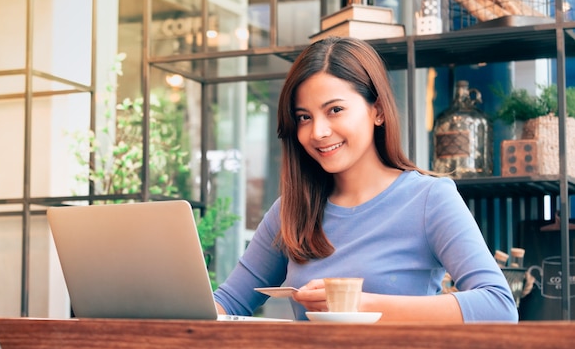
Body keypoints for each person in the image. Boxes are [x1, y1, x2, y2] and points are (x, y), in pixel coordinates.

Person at [213, 36, 518, 323]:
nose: (317, 132)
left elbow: (499, 307)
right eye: (304, 117)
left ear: (379, 111)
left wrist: (360, 305)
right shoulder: (290, 210)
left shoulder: (429, 198)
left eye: (335, 110)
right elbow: (227, 302)